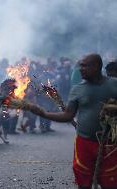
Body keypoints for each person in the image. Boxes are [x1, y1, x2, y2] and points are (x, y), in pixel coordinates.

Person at [28, 54, 117, 189]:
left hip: (109, 143)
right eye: (80, 65)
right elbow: (68, 115)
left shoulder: (113, 84)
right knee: (84, 183)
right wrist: (44, 113)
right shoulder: (77, 89)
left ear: (97, 67)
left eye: (85, 65)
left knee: (109, 183)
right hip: (84, 142)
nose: (81, 69)